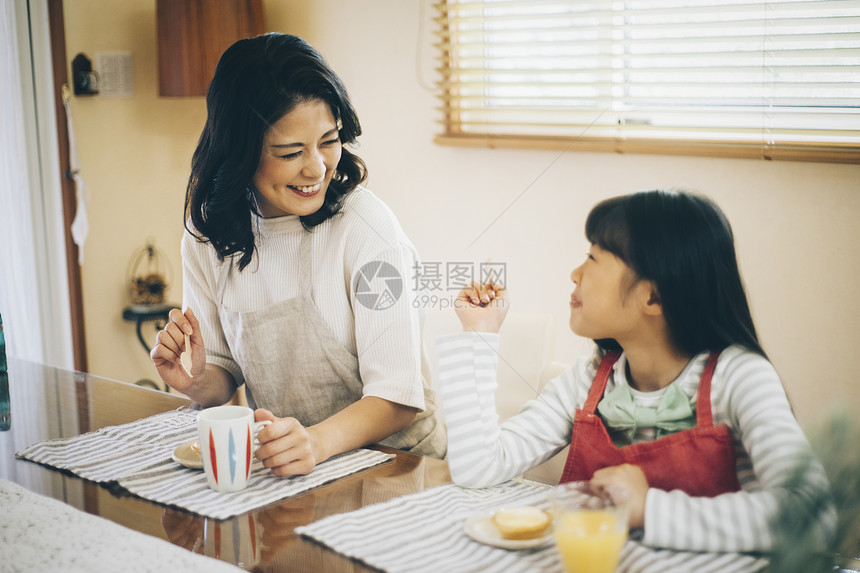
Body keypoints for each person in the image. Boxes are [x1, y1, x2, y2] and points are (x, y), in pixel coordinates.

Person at [436, 189, 834, 553]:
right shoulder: (589, 379)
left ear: (653, 294)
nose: (575, 273)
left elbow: (812, 517)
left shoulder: (741, 378)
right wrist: (479, 334)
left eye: (592, 258)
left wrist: (649, 509)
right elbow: (478, 468)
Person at [150, 33, 446, 477]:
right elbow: (222, 374)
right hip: (291, 469)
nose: (317, 168)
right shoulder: (208, 236)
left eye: (329, 141)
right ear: (240, 153)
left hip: (398, 468)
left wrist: (316, 441)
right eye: (290, 152)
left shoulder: (366, 229)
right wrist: (193, 379)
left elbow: (398, 396)